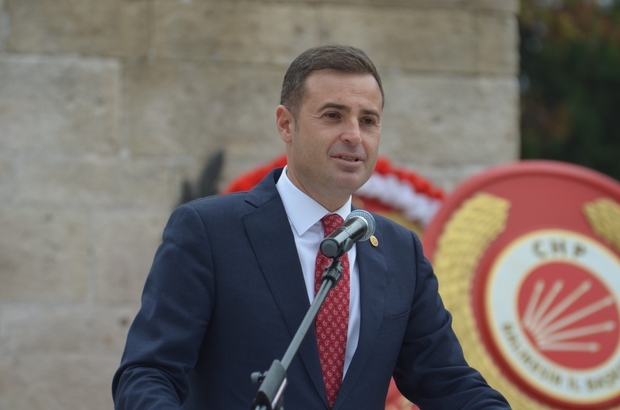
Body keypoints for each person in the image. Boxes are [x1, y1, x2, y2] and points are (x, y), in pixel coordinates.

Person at [112, 45, 511, 410]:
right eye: (333, 115)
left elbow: (449, 383)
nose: (353, 136)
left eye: (368, 120)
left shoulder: (400, 251)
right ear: (286, 124)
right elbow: (147, 374)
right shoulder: (209, 232)